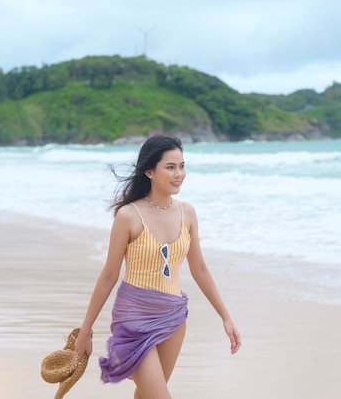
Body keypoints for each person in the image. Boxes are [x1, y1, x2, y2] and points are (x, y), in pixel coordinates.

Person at [74, 134, 241, 399]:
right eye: (170, 167)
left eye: (182, 166)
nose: (179, 174)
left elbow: (199, 269)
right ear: (150, 172)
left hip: (173, 317)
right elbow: (108, 275)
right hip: (134, 319)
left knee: (146, 395)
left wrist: (226, 316)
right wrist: (85, 330)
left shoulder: (188, 213)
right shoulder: (129, 215)